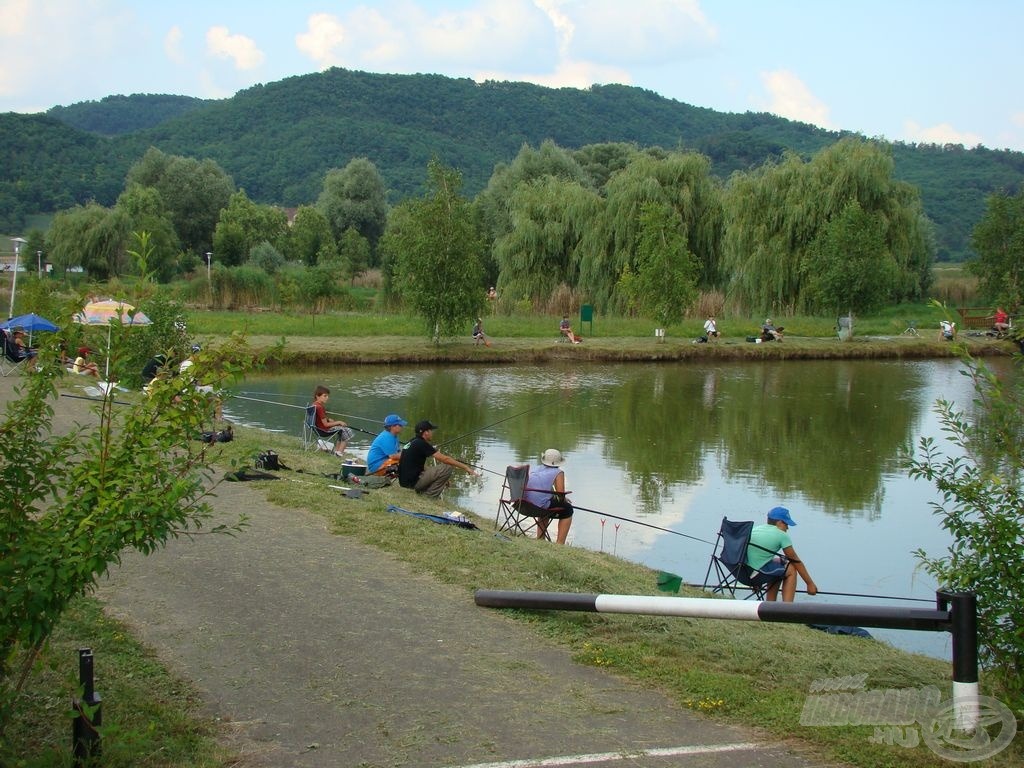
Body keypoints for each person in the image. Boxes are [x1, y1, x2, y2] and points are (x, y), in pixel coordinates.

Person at [745, 506, 817, 602]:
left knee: (779, 565)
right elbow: (796, 561)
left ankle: (770, 605)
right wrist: (809, 584)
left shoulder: (755, 529)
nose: (787, 528)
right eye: (786, 524)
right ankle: (787, 609)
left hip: (742, 572)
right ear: (779, 522)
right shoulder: (781, 535)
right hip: (755, 576)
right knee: (790, 568)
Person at [398, 420, 478, 497]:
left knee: (434, 470)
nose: (432, 433)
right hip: (411, 484)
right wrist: (466, 467)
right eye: (431, 431)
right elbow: (445, 459)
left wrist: (440, 477)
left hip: (404, 482)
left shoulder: (412, 441)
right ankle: (429, 496)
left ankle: (424, 492)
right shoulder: (421, 443)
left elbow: (417, 466)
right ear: (425, 432)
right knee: (447, 467)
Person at [523, 448, 574, 544]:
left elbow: (539, 488)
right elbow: (560, 495)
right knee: (568, 510)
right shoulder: (558, 472)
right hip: (539, 507)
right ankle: (560, 543)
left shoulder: (536, 469)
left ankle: (540, 539)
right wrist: (564, 499)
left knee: (545, 502)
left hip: (524, 503)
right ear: (558, 462)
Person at [310, 385, 354, 456]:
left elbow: (319, 418)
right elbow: (326, 425)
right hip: (324, 430)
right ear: (317, 396)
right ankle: (339, 453)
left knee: (341, 430)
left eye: (327, 396)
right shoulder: (319, 407)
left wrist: (328, 419)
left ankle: (336, 451)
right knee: (346, 430)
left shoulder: (314, 405)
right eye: (325, 396)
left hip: (317, 429)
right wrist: (339, 422)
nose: (327, 398)